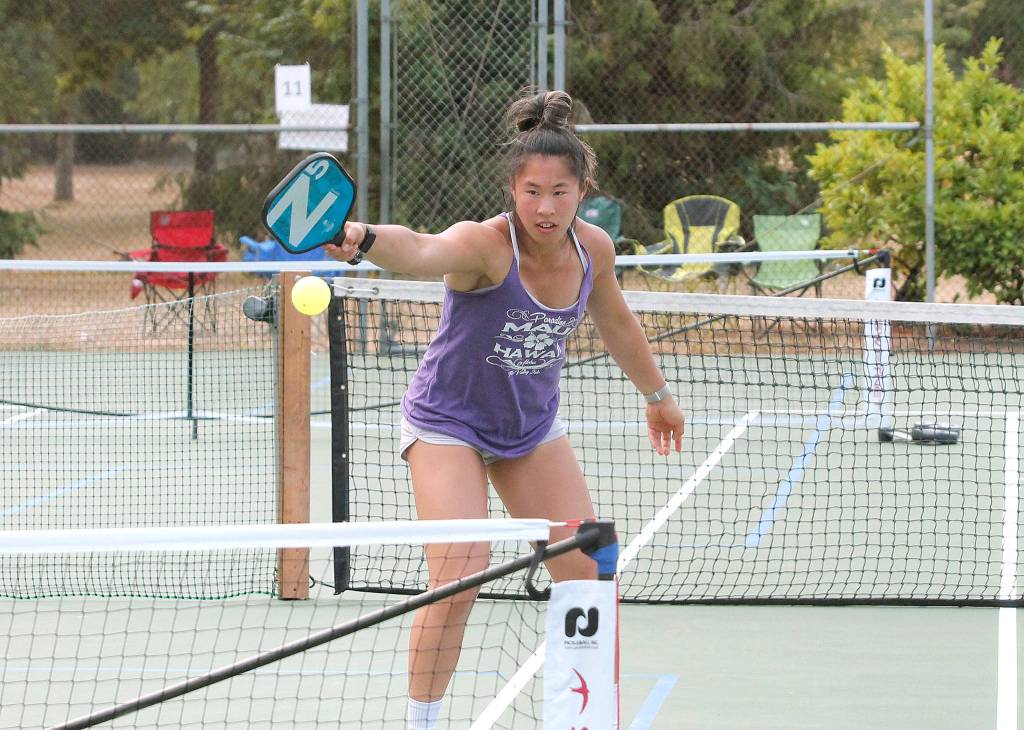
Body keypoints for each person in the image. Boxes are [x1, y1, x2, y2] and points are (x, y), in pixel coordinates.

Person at [326, 88, 685, 730]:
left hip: (528, 426)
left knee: (587, 567)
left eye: (560, 192)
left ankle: (584, 714)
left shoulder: (593, 250)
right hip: (447, 423)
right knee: (461, 569)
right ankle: (422, 721)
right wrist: (363, 238)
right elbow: (417, 250)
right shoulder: (485, 248)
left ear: (583, 192)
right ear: (513, 191)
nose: (545, 207)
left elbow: (618, 323)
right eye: (531, 192)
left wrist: (658, 397)